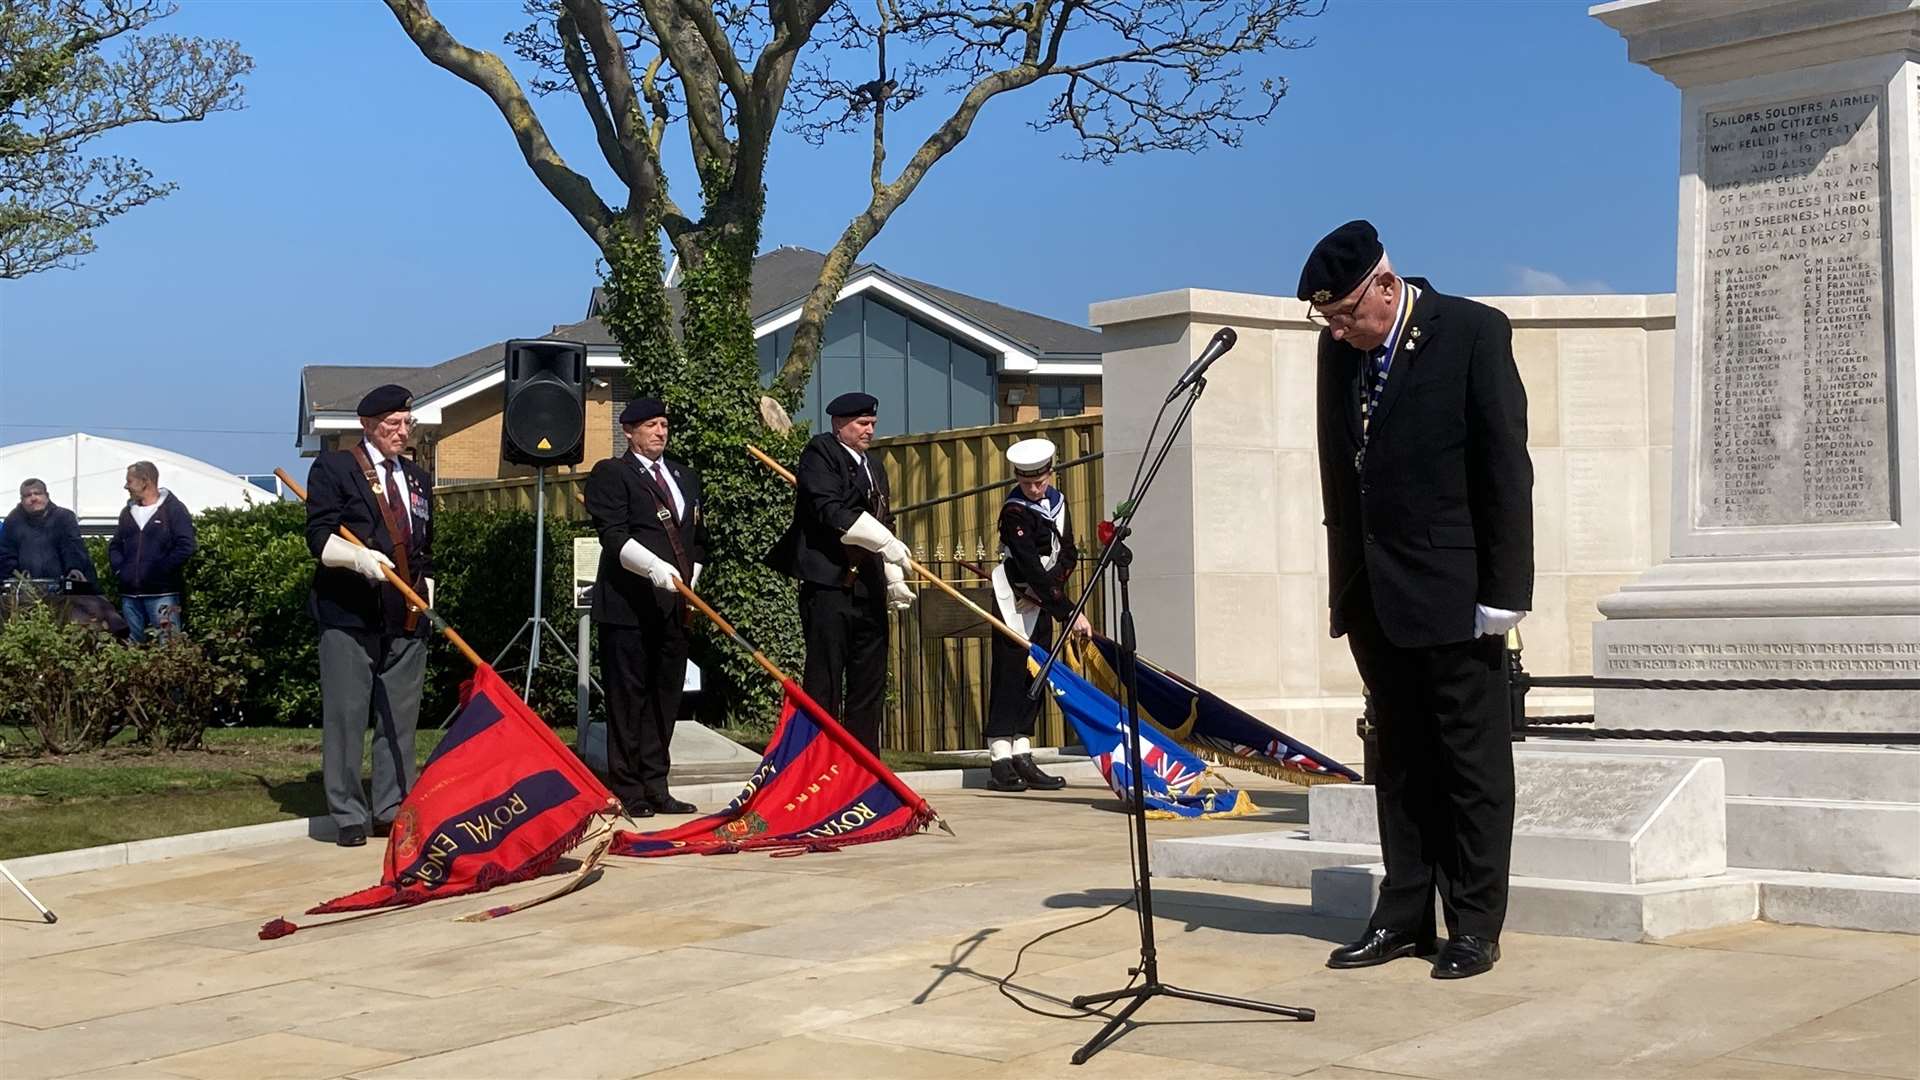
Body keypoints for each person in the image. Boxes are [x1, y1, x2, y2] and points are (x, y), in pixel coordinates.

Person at [1303, 220, 1533, 980]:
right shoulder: (1337, 354)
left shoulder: (1471, 332)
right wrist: (1344, 587)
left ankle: (1474, 923)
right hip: (1374, 592)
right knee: (1397, 762)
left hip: (1456, 592)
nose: (1338, 332)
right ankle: (1404, 914)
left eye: (1345, 315)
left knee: (1469, 762)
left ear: (1385, 286)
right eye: (1326, 319)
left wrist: (1505, 591)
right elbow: (1343, 473)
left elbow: (1504, 468)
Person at [304, 385, 436, 848]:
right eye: (392, 425)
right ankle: (347, 812)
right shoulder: (337, 468)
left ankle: (391, 808)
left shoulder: (417, 478)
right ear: (367, 426)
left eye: (407, 423)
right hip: (349, 613)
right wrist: (359, 559)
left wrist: (428, 589)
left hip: (405, 616)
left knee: (398, 719)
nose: (402, 432)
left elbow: (425, 548)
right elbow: (319, 538)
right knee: (346, 715)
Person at [764, 391, 915, 753]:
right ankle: (820, 757)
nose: (869, 431)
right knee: (825, 678)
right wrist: (884, 542)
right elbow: (831, 511)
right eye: (862, 424)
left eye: (873, 424)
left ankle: (864, 763)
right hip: (830, 585)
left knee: (870, 679)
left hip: (868, 585)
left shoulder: (873, 466)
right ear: (839, 424)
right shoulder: (820, 454)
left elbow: (883, 518)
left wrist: (893, 573)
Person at [583, 397, 708, 819]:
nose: (660, 432)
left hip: (674, 606)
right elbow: (613, 536)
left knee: (664, 699)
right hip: (628, 606)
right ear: (630, 431)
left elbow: (699, 537)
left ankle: (657, 784)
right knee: (627, 699)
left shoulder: (684, 476)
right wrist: (654, 568)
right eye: (651, 425)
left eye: (664, 425)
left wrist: (692, 577)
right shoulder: (612, 474)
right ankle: (628, 787)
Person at [984, 438, 1089, 792]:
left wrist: (1052, 591)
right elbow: (1028, 564)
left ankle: (1023, 752)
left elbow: (1070, 552)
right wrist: (1068, 610)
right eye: (1027, 483)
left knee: (1037, 675)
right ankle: (1000, 756)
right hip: (1014, 598)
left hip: (1043, 600)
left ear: (1051, 473)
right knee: (1009, 675)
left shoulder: (1058, 503)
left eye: (1040, 482)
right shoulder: (1015, 511)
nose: (1034, 489)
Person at [107, 461, 197, 641]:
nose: (126, 486)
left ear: (145, 481)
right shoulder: (127, 512)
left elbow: (186, 545)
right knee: (132, 648)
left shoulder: (173, 509)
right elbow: (115, 545)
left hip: (162, 594)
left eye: (129, 481)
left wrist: (161, 570)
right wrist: (120, 569)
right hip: (130, 594)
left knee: (169, 644)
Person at [0, 479, 95, 590]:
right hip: (25, 592)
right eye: (27, 495)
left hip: (63, 589)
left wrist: (74, 568)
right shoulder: (12, 522)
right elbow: (6, 555)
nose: (33, 498)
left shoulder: (64, 517)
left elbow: (73, 547)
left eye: (37, 493)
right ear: (21, 500)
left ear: (47, 495)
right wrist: (13, 581)